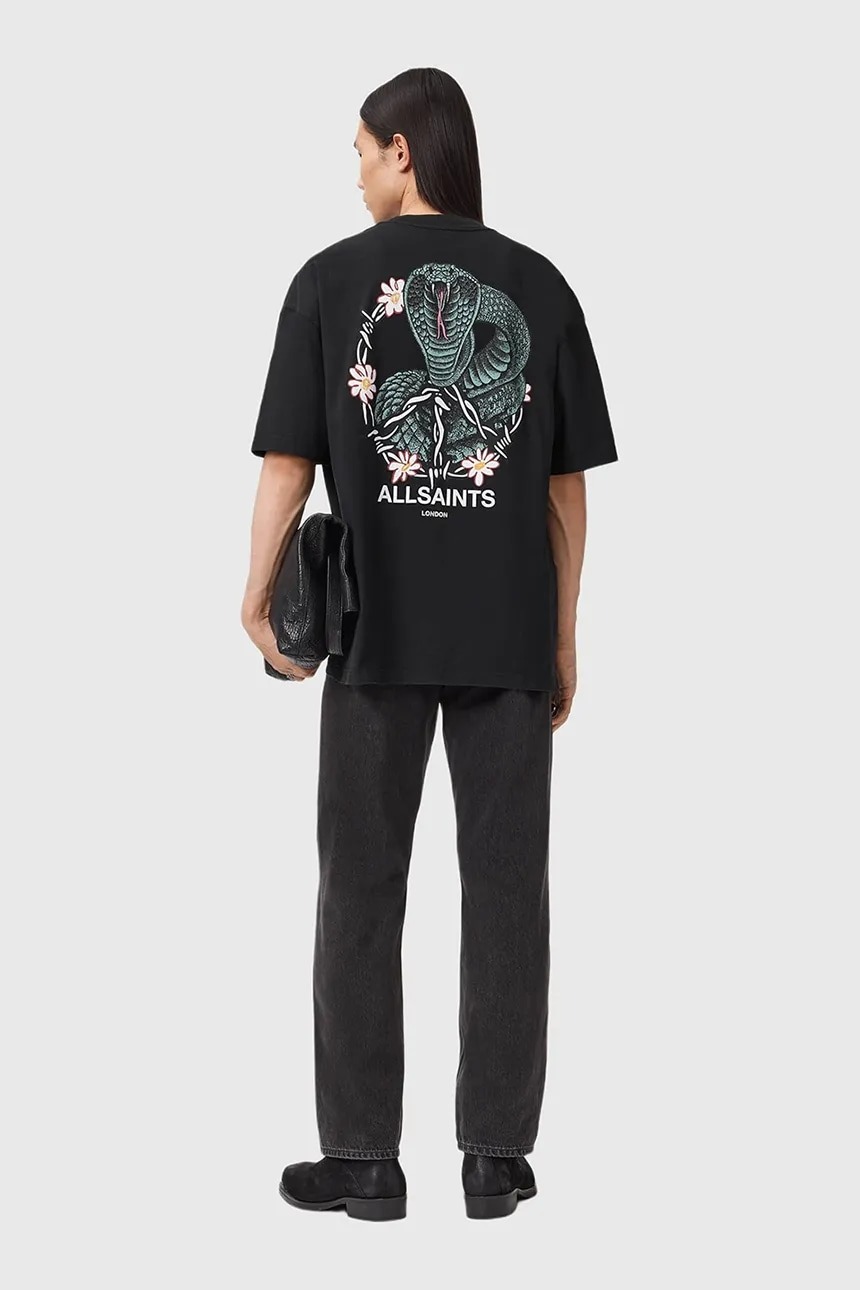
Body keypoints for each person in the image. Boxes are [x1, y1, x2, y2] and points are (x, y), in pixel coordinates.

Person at [241, 67, 618, 1222]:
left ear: (402, 150)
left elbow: (288, 466)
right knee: (507, 891)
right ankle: (494, 1158)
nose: (354, 174)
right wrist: (561, 633)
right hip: (505, 633)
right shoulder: (540, 285)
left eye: (360, 151)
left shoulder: (326, 283)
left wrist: (255, 593)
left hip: (376, 635)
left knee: (359, 889)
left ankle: (363, 1159)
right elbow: (563, 494)